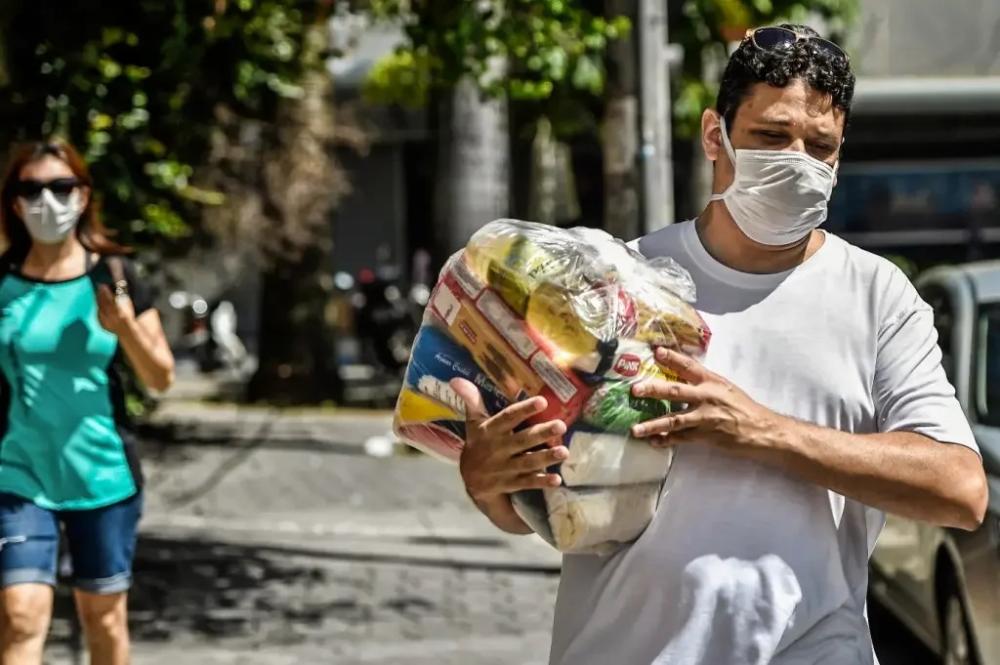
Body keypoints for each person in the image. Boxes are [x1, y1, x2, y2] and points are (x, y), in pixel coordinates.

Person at [451, 24, 987, 665]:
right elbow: (544, 505)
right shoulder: (616, 281)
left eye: (821, 147)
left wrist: (760, 429)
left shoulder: (877, 295)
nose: (797, 161)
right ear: (715, 134)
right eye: (770, 136)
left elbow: (961, 491)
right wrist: (489, 484)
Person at [0, 140, 175, 665]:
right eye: (31, 189)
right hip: (17, 472)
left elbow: (161, 378)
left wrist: (125, 329)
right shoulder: (2, 280)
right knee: (19, 614)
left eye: (60, 187)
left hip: (102, 474)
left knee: (102, 618)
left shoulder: (114, 276)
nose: (47, 201)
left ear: (83, 196)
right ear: (13, 202)